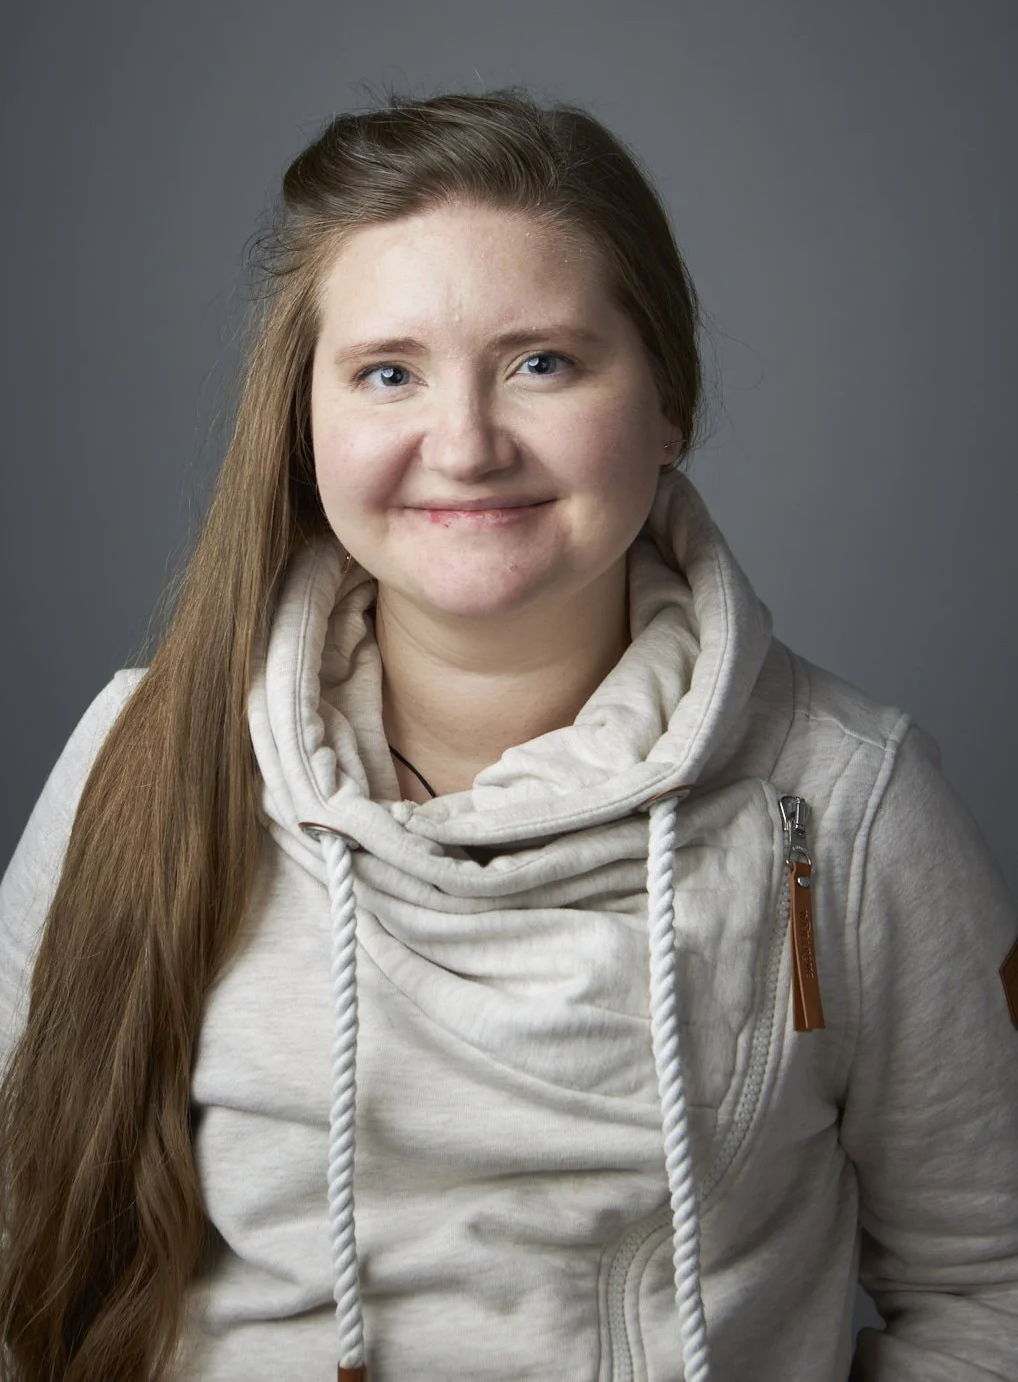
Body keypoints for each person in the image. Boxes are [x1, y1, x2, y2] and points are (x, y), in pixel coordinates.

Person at [1, 88, 1016, 1382]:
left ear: (667, 404)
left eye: (541, 362)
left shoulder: (852, 802)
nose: (467, 445)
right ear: (304, 421)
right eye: (388, 373)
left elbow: (989, 1286)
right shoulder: (142, 755)